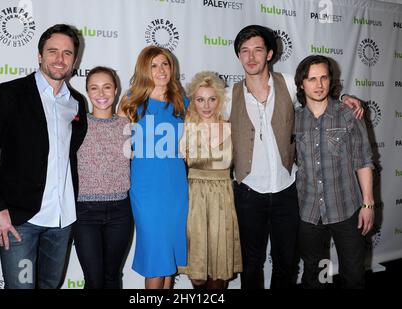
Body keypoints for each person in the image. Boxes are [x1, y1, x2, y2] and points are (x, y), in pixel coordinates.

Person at [224, 24, 363, 289]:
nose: (251, 57)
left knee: (285, 262)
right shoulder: (229, 95)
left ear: (270, 54)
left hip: (287, 191)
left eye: (258, 50)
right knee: (251, 263)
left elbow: (316, 91)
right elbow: (201, 109)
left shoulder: (287, 84)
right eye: (244, 51)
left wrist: (344, 96)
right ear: (239, 56)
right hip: (248, 192)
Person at [0, 24, 87, 289]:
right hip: (20, 221)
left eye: (67, 53)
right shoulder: (8, 94)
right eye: (53, 51)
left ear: (75, 60)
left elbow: (72, 154)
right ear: (39, 55)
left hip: (62, 220)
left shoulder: (77, 102)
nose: (60, 59)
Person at [294, 55, 374, 289]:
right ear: (301, 83)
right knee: (316, 276)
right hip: (308, 212)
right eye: (311, 79)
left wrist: (368, 204)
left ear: (331, 80)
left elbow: (364, 161)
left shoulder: (349, 114)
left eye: (323, 78)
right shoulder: (294, 119)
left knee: (354, 276)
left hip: (347, 209)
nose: (318, 85)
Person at [119, 45, 189, 289]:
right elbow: (120, 152)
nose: (161, 70)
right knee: (157, 258)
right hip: (147, 188)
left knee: (169, 257)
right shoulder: (130, 103)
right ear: (144, 70)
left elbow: (189, 146)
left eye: (165, 64)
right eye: (154, 65)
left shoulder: (183, 102)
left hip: (177, 186)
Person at [178, 71, 242, 289]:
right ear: (193, 101)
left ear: (220, 99)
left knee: (219, 274)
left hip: (223, 201)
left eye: (212, 99)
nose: (206, 105)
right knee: (197, 275)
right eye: (200, 99)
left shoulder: (232, 127)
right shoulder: (184, 128)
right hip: (194, 201)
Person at [73, 66, 133, 289]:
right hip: (85, 213)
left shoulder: (128, 125)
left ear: (116, 90)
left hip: (120, 212)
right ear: (87, 92)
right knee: (94, 281)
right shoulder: (76, 125)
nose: (101, 94)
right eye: (94, 88)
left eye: (107, 87)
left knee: (112, 278)